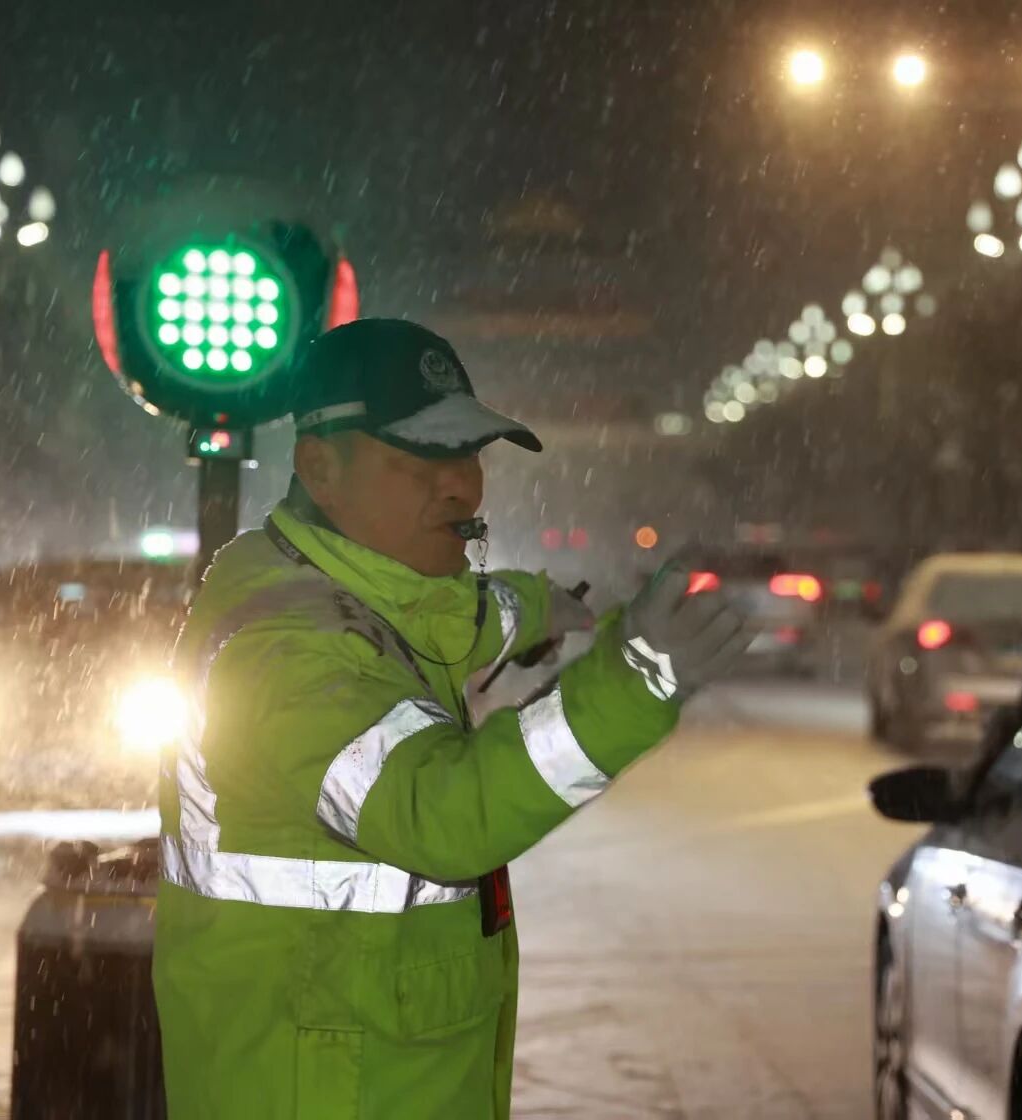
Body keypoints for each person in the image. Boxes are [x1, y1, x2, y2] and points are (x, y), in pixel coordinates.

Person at [152, 318, 754, 1119]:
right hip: (319, 1091)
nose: (462, 485)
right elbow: (439, 814)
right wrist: (631, 682)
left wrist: (546, 607)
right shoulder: (284, 650)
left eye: (469, 453)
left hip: (377, 1072)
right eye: (423, 457)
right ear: (321, 468)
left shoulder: (374, 589)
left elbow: (463, 615)